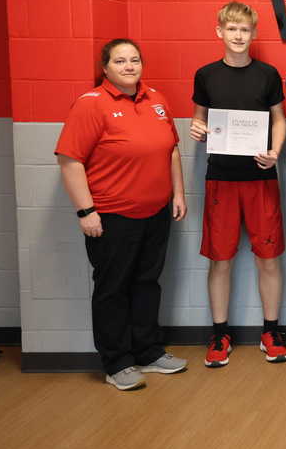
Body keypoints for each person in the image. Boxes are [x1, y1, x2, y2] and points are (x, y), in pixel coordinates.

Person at [55, 39, 187, 391]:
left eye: (134, 60)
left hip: (156, 212)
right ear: (106, 68)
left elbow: (171, 150)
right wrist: (86, 211)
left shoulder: (156, 100)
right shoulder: (91, 105)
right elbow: (69, 161)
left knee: (147, 283)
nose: (129, 66)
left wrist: (178, 192)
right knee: (113, 289)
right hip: (112, 216)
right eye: (120, 61)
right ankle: (117, 363)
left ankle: (147, 351)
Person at [189, 1, 286, 367]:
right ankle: (220, 335)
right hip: (221, 179)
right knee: (220, 260)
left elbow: (279, 120)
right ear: (219, 31)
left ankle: (271, 330)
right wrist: (197, 130)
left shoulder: (266, 74)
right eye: (231, 29)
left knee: (268, 258)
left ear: (253, 34)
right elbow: (198, 122)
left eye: (244, 30)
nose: (237, 35)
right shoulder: (205, 75)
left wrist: (274, 151)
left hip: (261, 178)